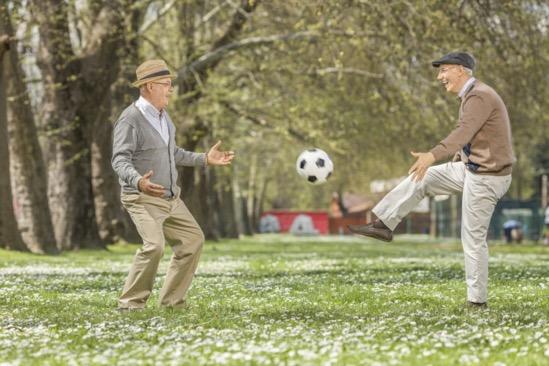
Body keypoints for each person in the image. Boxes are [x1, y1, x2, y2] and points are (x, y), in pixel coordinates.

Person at [349, 52, 514, 308]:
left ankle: (477, 302)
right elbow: (475, 135)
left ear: (461, 70)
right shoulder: (472, 95)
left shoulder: (479, 95)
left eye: (444, 70)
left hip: (487, 177)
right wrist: (457, 158)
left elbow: (464, 132)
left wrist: (432, 155)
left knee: (472, 239)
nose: (440, 77)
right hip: (472, 170)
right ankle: (384, 224)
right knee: (423, 176)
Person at [112, 59, 235, 310]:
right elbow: (119, 159)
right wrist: (138, 182)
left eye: (170, 85)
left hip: (170, 199)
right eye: (166, 84)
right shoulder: (130, 119)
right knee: (154, 246)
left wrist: (205, 160)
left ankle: (172, 303)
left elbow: (174, 153)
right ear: (147, 86)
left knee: (192, 240)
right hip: (141, 198)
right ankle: (130, 303)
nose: (170, 90)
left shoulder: (164, 117)